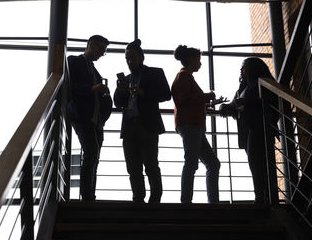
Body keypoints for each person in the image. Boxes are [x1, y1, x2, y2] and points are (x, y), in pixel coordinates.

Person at [114, 39, 171, 203]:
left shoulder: (155, 73)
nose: (129, 61)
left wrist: (143, 92)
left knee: (150, 164)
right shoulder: (127, 79)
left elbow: (166, 94)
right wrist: (120, 90)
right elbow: (118, 103)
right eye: (127, 58)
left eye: (132, 57)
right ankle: (138, 198)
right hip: (130, 127)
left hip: (147, 125)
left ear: (141, 57)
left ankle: (155, 199)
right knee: (133, 167)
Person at [219, 57, 278, 203]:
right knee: (255, 163)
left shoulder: (263, 82)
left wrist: (247, 102)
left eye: (243, 67)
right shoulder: (244, 87)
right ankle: (262, 196)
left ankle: (264, 197)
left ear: (252, 68)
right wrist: (225, 107)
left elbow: (270, 102)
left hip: (259, 127)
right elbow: (234, 104)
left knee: (260, 163)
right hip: (247, 129)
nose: (241, 70)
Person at [171, 45, 220, 204]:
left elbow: (187, 101)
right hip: (191, 124)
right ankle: (188, 202)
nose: (200, 63)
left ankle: (208, 201)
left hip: (191, 124)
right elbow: (185, 100)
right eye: (198, 59)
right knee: (194, 162)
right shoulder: (185, 76)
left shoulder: (185, 76)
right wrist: (208, 96)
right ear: (191, 59)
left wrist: (207, 102)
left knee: (211, 163)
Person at [67, 35, 112, 202]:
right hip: (82, 116)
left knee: (95, 156)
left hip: (96, 120)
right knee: (92, 153)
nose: (101, 53)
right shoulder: (74, 61)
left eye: (104, 51)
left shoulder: (94, 70)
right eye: (101, 49)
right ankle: (87, 197)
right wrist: (94, 88)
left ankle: (89, 195)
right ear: (91, 45)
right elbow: (70, 86)